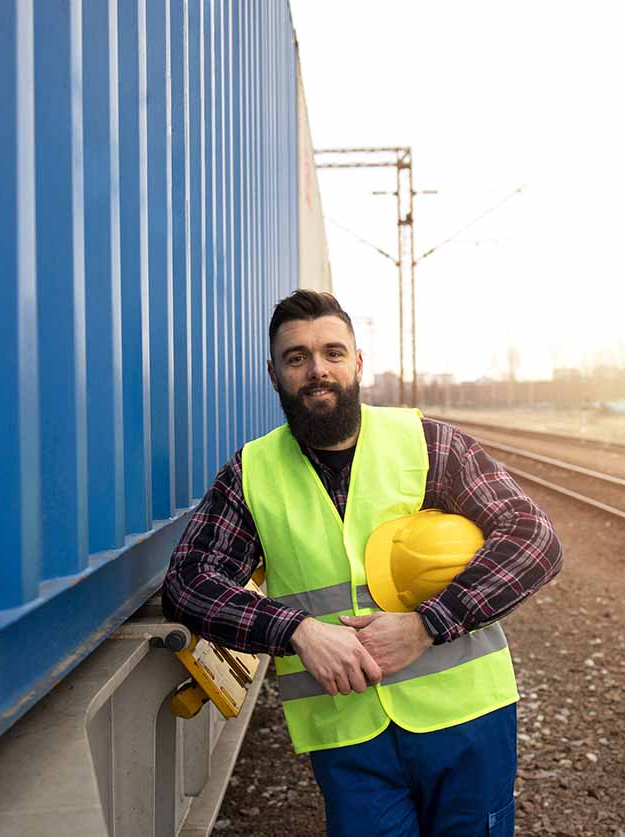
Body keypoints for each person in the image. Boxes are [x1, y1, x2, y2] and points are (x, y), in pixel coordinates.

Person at [162, 290, 563, 836]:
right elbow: (188, 583)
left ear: (357, 362)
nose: (316, 370)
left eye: (332, 352)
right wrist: (297, 631)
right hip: (345, 731)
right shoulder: (252, 473)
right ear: (274, 374)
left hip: (466, 716)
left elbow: (534, 538)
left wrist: (427, 624)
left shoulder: (428, 443)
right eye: (296, 358)